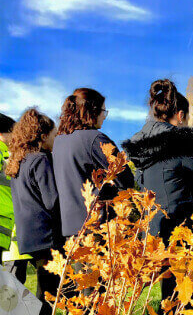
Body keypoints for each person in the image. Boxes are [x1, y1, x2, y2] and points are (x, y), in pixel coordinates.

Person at [122, 79, 193, 315]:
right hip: (184, 231)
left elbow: (140, 186)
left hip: (154, 232)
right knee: (189, 301)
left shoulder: (139, 146)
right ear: (181, 115)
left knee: (166, 299)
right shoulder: (183, 142)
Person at [6, 108, 62, 315]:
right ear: (42, 135)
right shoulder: (40, 159)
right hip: (47, 235)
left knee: (45, 289)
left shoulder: (18, 161)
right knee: (48, 294)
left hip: (28, 237)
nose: (55, 138)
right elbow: (52, 200)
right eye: (53, 134)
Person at [52, 88, 134, 240]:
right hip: (97, 226)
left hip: (70, 229)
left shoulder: (59, 142)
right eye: (103, 111)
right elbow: (126, 178)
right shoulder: (95, 139)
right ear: (93, 111)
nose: (104, 116)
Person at [0, 113, 31, 283]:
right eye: (13, 133)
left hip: (6, 232)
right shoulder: (4, 155)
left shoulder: (8, 156)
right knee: (9, 293)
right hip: (7, 229)